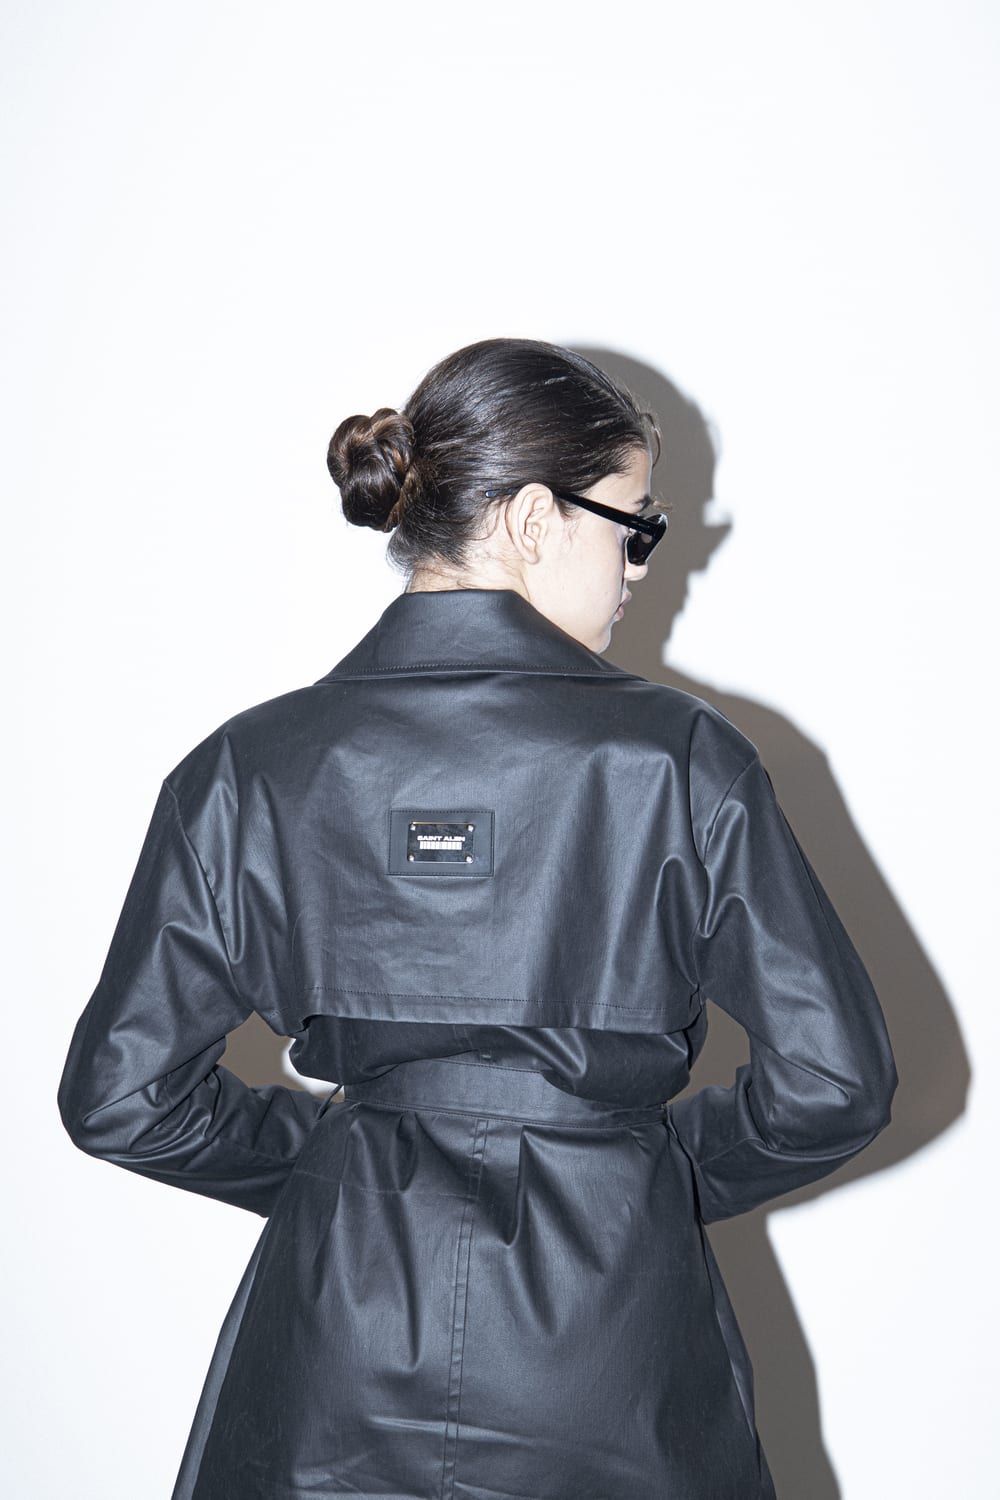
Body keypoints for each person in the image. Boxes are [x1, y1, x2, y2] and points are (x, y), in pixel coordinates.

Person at [58, 337, 897, 1500]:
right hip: (610, 1365)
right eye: (636, 527)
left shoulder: (249, 767)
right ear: (534, 519)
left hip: (332, 1360)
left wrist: (345, 1163)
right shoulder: (680, 760)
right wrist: (634, 1172)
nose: (640, 568)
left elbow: (120, 1095)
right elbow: (836, 1083)